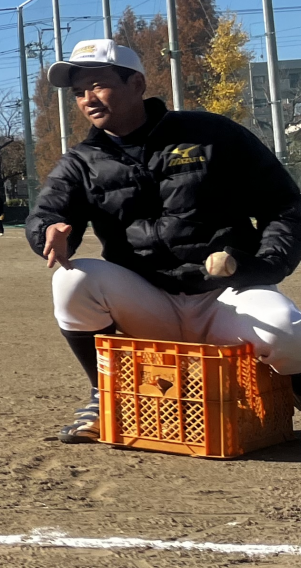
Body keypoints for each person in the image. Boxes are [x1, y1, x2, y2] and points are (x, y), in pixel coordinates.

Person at [28, 37, 301, 444]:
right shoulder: (82, 161)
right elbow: (49, 213)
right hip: (149, 302)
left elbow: (285, 205)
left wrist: (265, 265)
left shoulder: (211, 134)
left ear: (137, 84)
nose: (88, 99)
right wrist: (49, 230)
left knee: (287, 329)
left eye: (99, 85)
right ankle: (104, 395)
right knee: (72, 279)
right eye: (79, 92)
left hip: (224, 294)